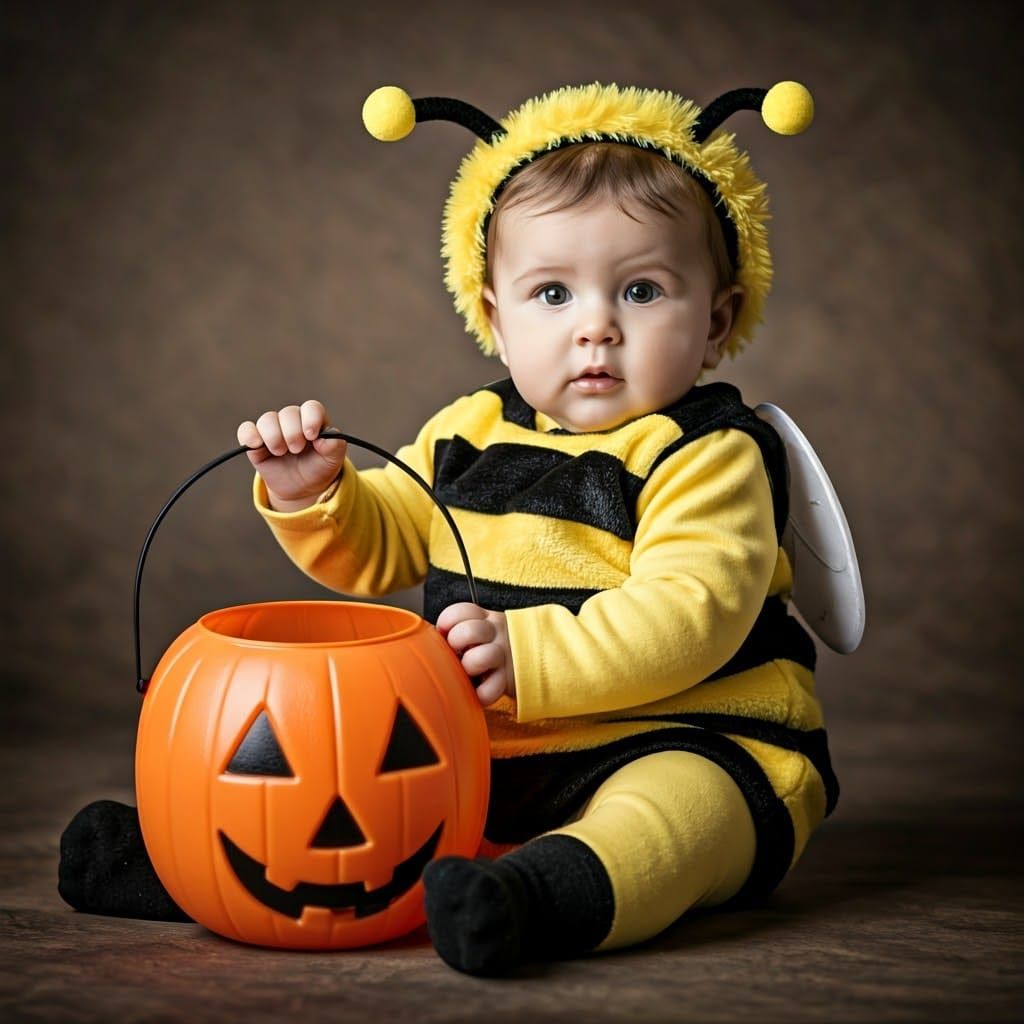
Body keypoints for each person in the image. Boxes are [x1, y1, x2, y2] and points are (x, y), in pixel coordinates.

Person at [58, 79, 837, 976]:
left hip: (695, 734)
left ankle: (543, 899)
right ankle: (197, 870)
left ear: (716, 321)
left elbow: (691, 612)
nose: (596, 329)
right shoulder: (468, 432)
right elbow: (387, 541)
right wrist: (320, 495)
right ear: (495, 322)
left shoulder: (708, 452)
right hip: (491, 758)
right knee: (363, 794)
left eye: (642, 289)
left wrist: (527, 655)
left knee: (673, 819)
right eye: (552, 295)